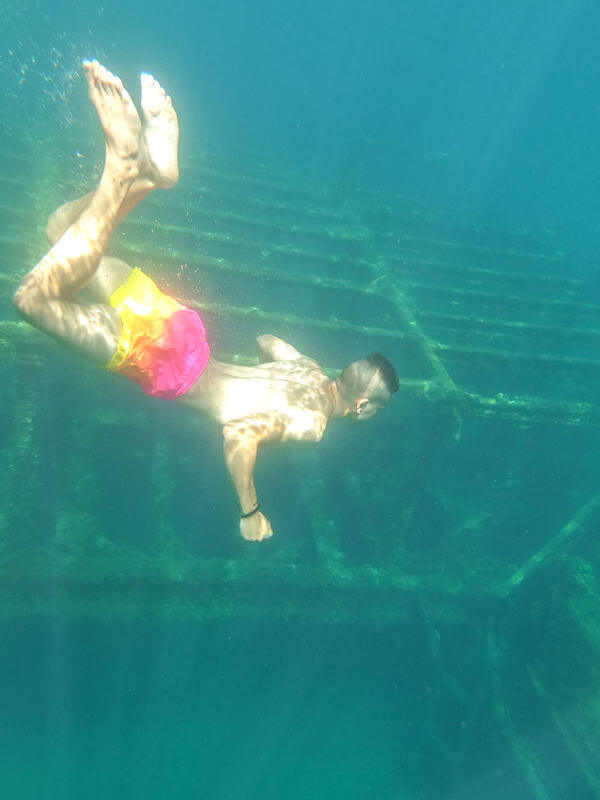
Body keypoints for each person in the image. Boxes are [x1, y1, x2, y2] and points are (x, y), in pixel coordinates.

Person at [13, 61, 399, 542]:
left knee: (60, 233)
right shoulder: (313, 423)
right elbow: (238, 434)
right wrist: (250, 512)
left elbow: (267, 340)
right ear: (363, 408)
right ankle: (121, 169)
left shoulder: (308, 368)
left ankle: (150, 178)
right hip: (170, 364)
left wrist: (260, 381)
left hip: (183, 328)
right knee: (32, 299)